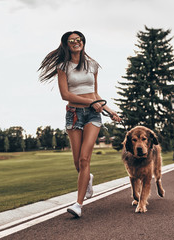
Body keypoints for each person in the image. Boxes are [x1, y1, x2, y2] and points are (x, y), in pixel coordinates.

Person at [38, 31, 121, 217]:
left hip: (93, 115)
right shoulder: (63, 66)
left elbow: (95, 94)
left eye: (79, 39)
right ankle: (88, 178)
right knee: (77, 163)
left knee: (85, 159)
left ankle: (78, 205)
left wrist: (111, 111)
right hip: (74, 114)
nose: (76, 42)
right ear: (67, 45)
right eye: (72, 41)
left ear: (83, 42)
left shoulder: (92, 65)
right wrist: (90, 102)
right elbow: (65, 95)